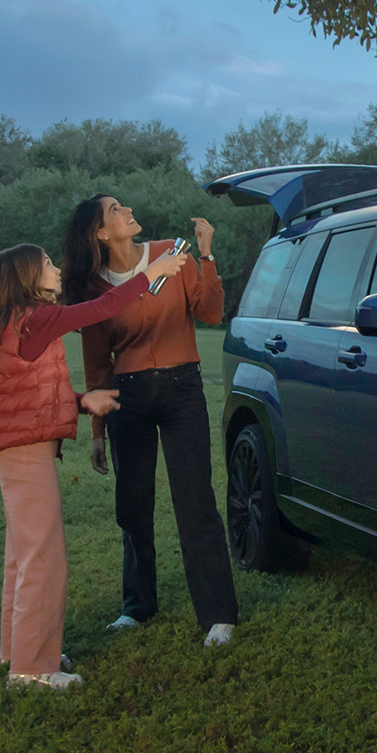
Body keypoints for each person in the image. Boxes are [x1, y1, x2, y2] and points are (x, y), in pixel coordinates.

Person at [0, 241, 186, 691]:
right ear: (27, 278)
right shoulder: (39, 317)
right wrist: (153, 272)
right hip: (26, 454)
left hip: (15, 451)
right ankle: (33, 669)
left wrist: (81, 402)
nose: (55, 269)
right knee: (43, 558)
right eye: (47, 264)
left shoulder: (16, 323)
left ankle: (17, 650)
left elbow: (27, 398)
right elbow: (101, 307)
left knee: (22, 555)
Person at [64, 195, 240, 648]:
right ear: (101, 233)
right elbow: (96, 360)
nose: (127, 210)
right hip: (128, 397)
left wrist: (205, 254)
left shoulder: (172, 251)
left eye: (125, 205)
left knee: (195, 499)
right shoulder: (94, 287)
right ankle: (137, 607)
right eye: (116, 210)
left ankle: (219, 614)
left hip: (183, 389)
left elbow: (212, 312)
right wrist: (97, 432)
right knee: (133, 504)